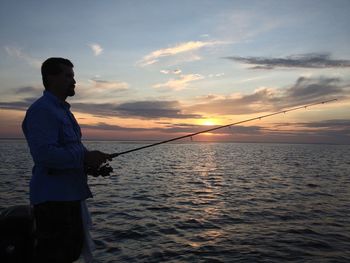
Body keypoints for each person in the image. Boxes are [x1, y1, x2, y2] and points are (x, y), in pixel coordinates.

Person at [22, 57, 111, 262]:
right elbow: (45, 155)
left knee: (70, 254)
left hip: (69, 196)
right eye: (68, 75)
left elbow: (71, 150)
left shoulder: (62, 111)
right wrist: (85, 156)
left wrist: (88, 165)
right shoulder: (42, 111)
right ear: (50, 78)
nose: (74, 81)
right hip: (54, 200)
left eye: (73, 76)